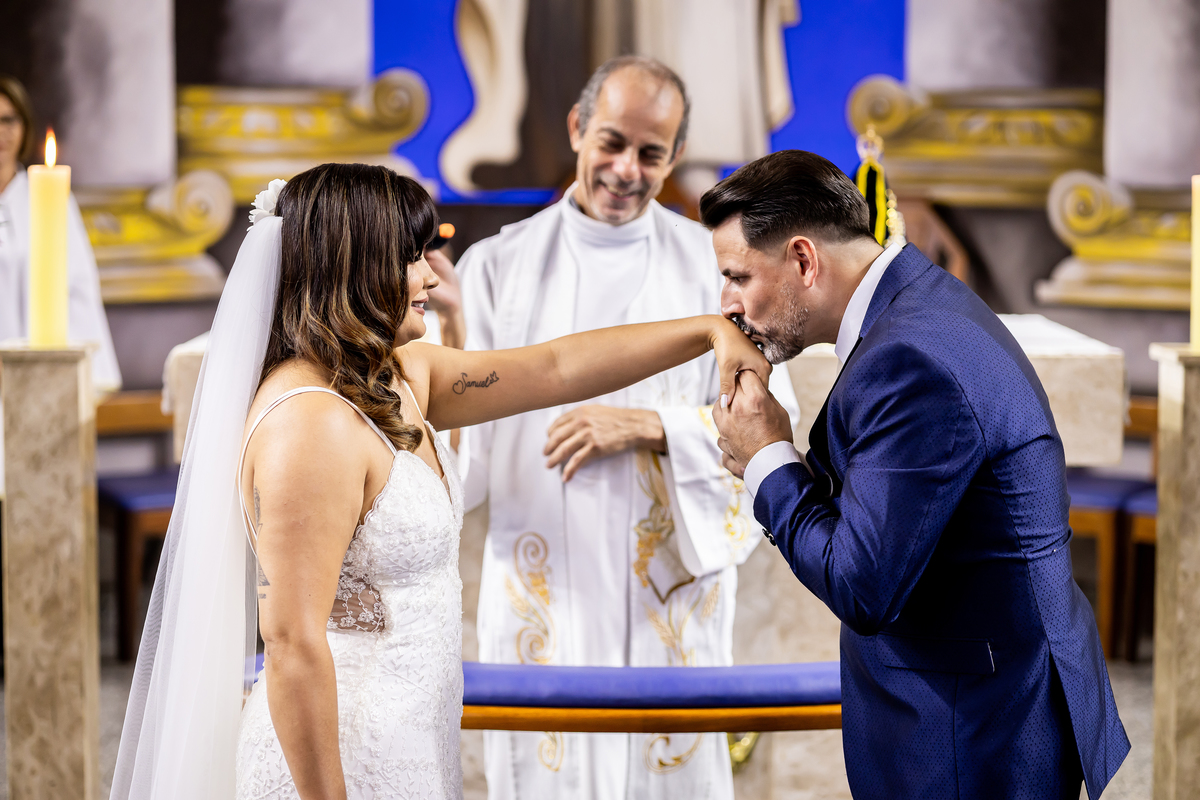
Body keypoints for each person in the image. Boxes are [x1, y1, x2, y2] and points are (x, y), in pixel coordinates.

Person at [111, 162, 769, 800]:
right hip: (336, 758)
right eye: (413, 256)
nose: (431, 274)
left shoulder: (398, 375)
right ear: (356, 264)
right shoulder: (309, 425)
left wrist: (707, 332)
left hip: (409, 743)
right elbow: (291, 643)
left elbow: (555, 367)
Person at [706, 150, 1129, 799]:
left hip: (969, 732)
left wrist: (767, 458)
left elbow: (863, 585)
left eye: (737, 276)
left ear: (803, 260)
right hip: (997, 692)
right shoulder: (916, 301)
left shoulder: (906, 358)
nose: (728, 305)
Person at [449, 56, 799, 799]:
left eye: (651, 152)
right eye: (610, 142)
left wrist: (653, 424)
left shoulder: (715, 269)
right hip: (542, 578)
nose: (625, 168)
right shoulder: (496, 268)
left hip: (663, 584)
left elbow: (771, 422)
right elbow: (460, 455)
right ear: (577, 128)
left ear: (675, 155)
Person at [0, 75, 121, 494]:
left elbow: (78, 284)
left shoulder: (46, 198)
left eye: (9, 119)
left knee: (35, 491)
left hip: (39, 373)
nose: (2, 131)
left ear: (24, 126)